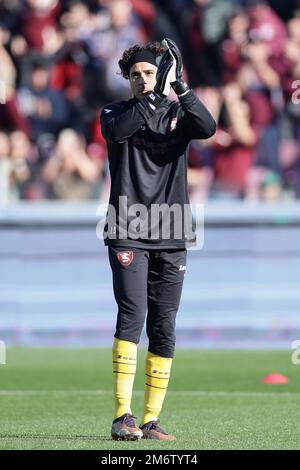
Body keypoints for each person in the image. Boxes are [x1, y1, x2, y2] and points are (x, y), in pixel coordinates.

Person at [100, 38, 216, 441]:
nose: (143, 80)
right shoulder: (116, 112)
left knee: (164, 325)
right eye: (136, 75)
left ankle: (151, 420)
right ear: (127, 80)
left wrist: (180, 87)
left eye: (150, 73)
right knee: (132, 318)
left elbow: (208, 127)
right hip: (128, 228)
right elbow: (119, 132)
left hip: (172, 231)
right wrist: (152, 97)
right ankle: (122, 417)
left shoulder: (176, 112)